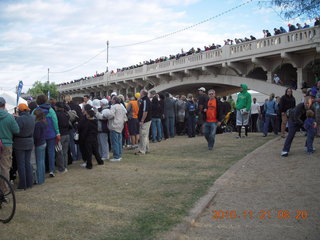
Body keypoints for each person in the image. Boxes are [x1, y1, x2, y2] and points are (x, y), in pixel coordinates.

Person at [33, 95, 60, 177]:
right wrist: (57, 132)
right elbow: (55, 121)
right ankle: (51, 170)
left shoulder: (35, 110)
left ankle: (42, 170)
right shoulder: (51, 110)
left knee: (41, 154)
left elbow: (32, 121)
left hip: (40, 135)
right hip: (51, 134)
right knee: (51, 152)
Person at [13, 103, 35, 190]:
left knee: (21, 164)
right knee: (27, 163)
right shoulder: (32, 117)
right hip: (30, 141)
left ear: (20, 110)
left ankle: (23, 185)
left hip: (20, 142)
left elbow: (16, 131)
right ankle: (29, 183)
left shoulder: (20, 119)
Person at [0, 97, 20, 182]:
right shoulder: (9, 117)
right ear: (4, 105)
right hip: (6, 144)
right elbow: (16, 130)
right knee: (5, 168)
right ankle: (5, 191)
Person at [102, 96, 127, 161]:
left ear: (114, 101)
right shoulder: (122, 107)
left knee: (114, 142)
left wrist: (105, 116)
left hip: (114, 125)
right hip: (120, 125)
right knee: (119, 142)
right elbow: (125, 117)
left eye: (112, 100)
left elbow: (111, 115)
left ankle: (116, 156)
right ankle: (119, 155)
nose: (111, 101)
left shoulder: (113, 107)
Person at [55, 102, 70, 173]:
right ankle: (65, 166)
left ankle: (62, 168)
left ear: (57, 107)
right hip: (67, 134)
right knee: (65, 152)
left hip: (60, 135)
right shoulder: (66, 114)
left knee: (59, 152)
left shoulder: (56, 114)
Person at [135, 89, 152, 155]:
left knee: (143, 135)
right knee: (145, 135)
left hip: (145, 120)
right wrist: (138, 101)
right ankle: (146, 149)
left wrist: (142, 120)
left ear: (142, 94)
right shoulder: (145, 100)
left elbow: (145, 111)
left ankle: (142, 150)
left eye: (140, 93)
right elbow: (141, 109)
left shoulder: (145, 101)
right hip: (147, 120)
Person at [33, 109, 47, 185]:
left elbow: (37, 136)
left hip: (39, 144)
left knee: (39, 162)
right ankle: (42, 179)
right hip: (43, 142)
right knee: (42, 162)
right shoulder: (44, 122)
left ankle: (40, 180)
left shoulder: (38, 124)